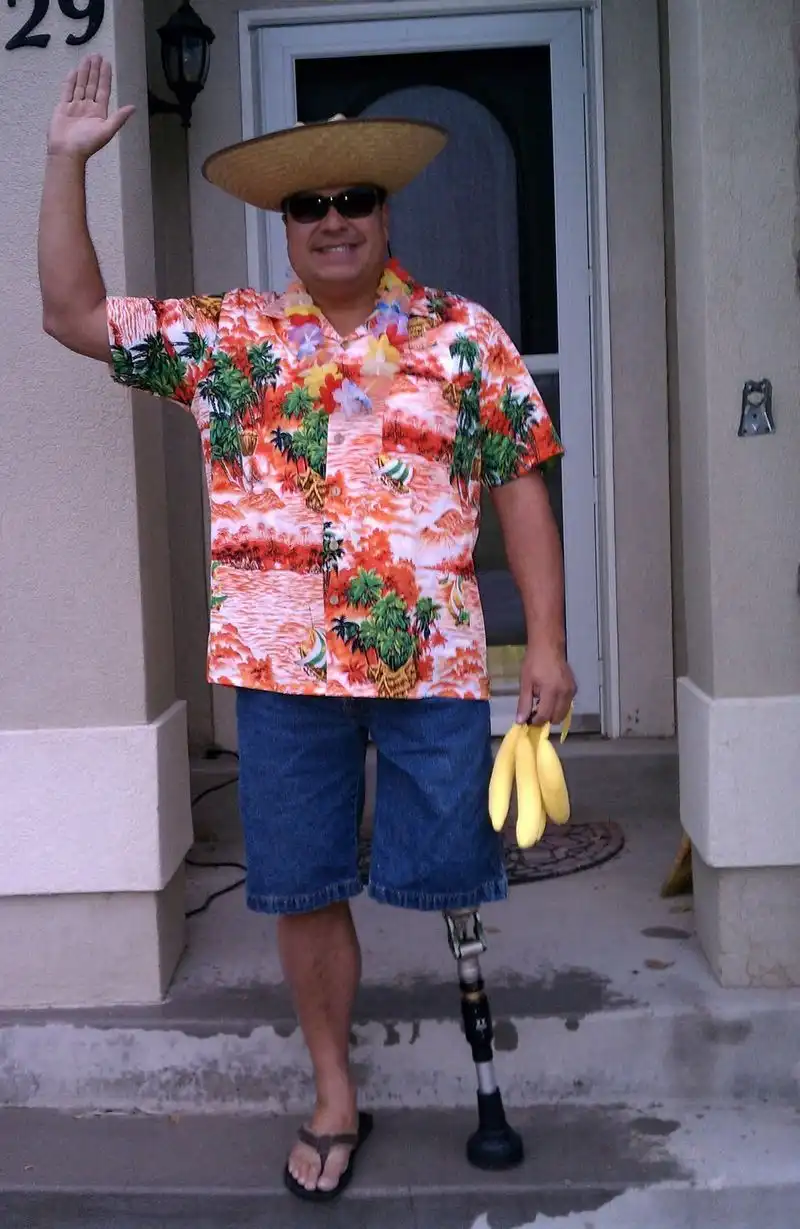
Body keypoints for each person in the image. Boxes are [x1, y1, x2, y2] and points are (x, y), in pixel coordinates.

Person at [39, 54, 577, 1202]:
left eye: (354, 198)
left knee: (450, 867)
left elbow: (518, 481)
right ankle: (334, 1091)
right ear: (283, 224)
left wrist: (545, 640)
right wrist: (65, 164)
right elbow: (72, 315)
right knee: (300, 884)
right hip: (280, 670)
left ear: (385, 211)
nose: (333, 220)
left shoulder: (461, 335)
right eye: (307, 204)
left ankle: (460, 1033)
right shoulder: (231, 337)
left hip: (429, 662)